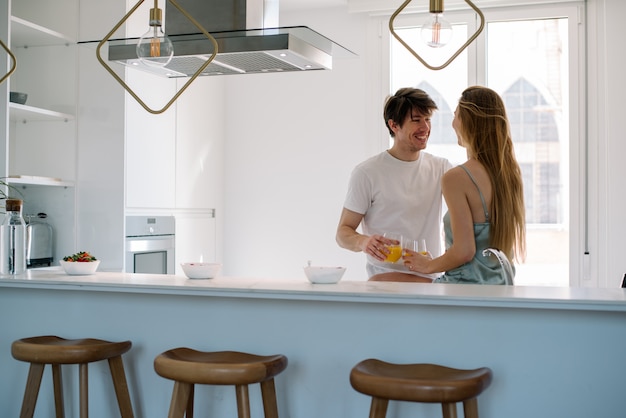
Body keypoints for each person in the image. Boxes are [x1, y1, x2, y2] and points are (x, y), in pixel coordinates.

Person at [402, 86, 526, 285]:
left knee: (388, 284)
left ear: (470, 122)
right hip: (503, 286)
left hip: (464, 289)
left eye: (456, 115)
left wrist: (427, 265)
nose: (453, 123)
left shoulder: (456, 178)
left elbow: (464, 251)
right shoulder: (510, 175)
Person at [336, 88, 452, 282]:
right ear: (394, 125)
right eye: (416, 120)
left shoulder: (441, 168)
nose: (425, 127)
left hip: (430, 280)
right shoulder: (367, 172)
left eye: (428, 119)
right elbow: (343, 233)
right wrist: (363, 242)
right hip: (385, 282)